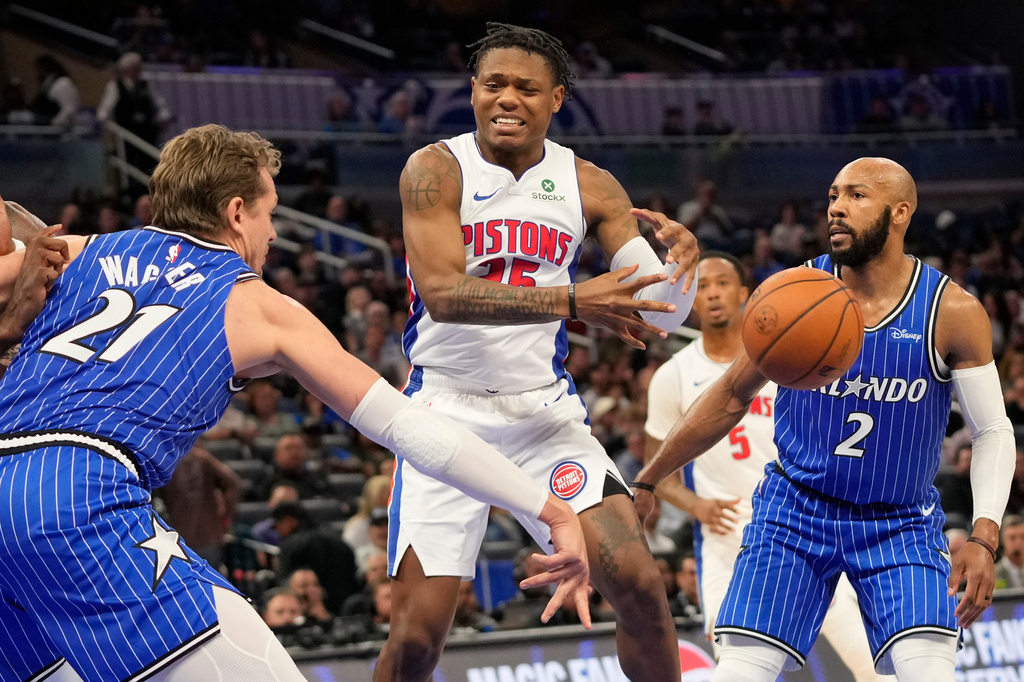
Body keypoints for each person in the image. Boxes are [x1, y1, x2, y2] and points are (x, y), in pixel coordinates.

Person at [0, 124, 592, 682]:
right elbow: (412, 428)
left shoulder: (71, 251)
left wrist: (20, 265)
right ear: (236, 212)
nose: (274, 234)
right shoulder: (260, 305)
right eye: (269, 213)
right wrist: (548, 509)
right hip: (73, 495)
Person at [380, 22, 700, 682]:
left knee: (641, 587)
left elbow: (660, 310)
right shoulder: (434, 169)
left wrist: (683, 274)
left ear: (557, 99)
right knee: (416, 637)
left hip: (543, 419)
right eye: (493, 84)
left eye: (527, 88)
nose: (507, 98)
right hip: (444, 414)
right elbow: (442, 292)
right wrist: (574, 302)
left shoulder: (590, 183)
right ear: (472, 91)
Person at [634, 157, 1016, 681]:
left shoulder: (950, 310)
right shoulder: (795, 294)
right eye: (834, 195)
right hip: (795, 511)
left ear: (900, 212)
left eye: (857, 196)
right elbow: (729, 395)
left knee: (929, 673)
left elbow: (993, 431)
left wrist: (983, 536)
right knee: (740, 671)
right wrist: (648, 477)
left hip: (898, 521)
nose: (836, 207)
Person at [644, 250, 892, 680]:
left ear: (745, 294)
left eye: (722, 283)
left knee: (869, 665)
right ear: (690, 299)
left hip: (804, 523)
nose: (713, 293)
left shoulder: (793, 356)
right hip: (727, 538)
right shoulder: (674, 375)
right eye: (702, 286)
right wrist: (697, 506)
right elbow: (657, 471)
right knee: (737, 669)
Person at [30, 54, 80, 127]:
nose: (37, 73)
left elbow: (70, 111)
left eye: (38, 69)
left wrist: (52, 124)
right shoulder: (47, 86)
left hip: (62, 131)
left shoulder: (63, 83)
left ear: (44, 68)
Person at [994, 514, 1024, 589]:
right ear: (1002, 540)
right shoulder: (993, 575)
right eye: (1012, 538)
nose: (1018, 543)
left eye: (1023, 537)